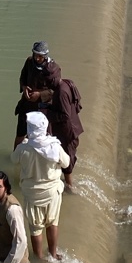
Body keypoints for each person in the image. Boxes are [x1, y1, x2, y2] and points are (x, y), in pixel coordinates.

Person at [14, 43, 84, 190]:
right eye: (36, 55)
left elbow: (54, 91)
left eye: (40, 56)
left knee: (44, 141)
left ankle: (54, 176)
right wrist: (24, 88)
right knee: (20, 132)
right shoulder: (29, 62)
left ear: (45, 56)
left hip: (43, 110)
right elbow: (23, 78)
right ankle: (18, 161)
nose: (37, 58)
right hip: (27, 104)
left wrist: (40, 95)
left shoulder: (54, 70)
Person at [12, 111, 70, 261]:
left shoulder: (23, 148)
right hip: (52, 192)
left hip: (32, 194)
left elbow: (13, 160)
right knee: (52, 223)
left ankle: (39, 258)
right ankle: (53, 254)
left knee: (35, 228)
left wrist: (24, 142)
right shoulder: (54, 147)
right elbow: (66, 163)